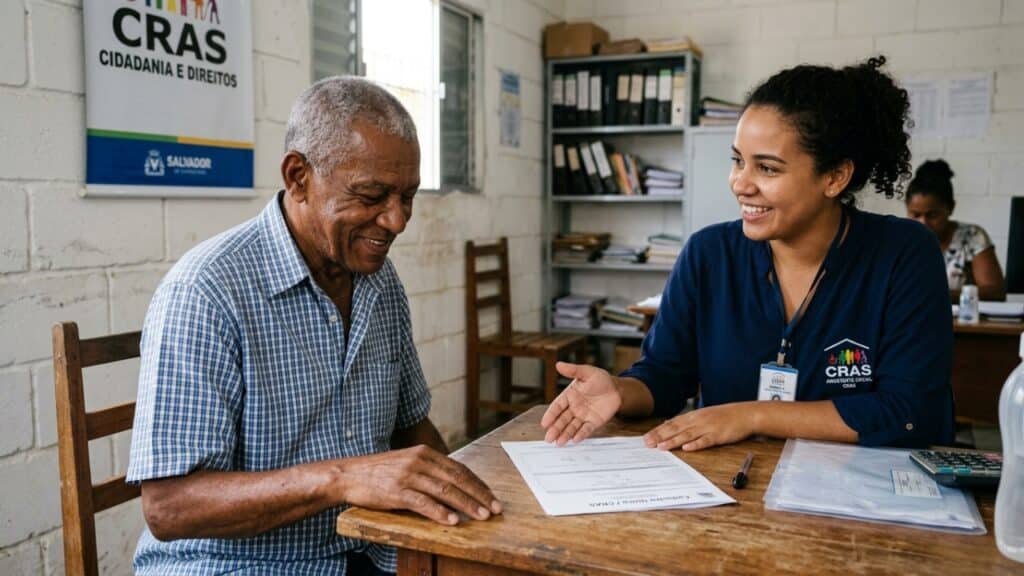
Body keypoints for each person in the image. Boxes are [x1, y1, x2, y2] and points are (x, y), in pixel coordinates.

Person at [127, 77, 501, 576]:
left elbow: (411, 427)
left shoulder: (379, 280)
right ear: (298, 176)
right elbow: (168, 507)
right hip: (239, 567)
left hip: (365, 550)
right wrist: (342, 478)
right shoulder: (207, 291)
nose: (396, 221)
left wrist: (476, 511)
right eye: (371, 195)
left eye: (408, 197)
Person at [542, 56, 954, 453]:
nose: (741, 183)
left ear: (834, 176)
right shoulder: (709, 253)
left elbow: (908, 412)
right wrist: (619, 389)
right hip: (729, 494)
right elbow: (664, 378)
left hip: (857, 501)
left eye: (768, 169)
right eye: (738, 161)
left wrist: (750, 417)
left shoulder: (905, 253)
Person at [905, 159, 1006, 301]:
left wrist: (935, 296)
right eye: (915, 215)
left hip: (963, 322)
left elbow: (995, 291)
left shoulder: (972, 237)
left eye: (932, 215)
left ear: (951, 207)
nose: (923, 222)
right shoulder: (902, 241)